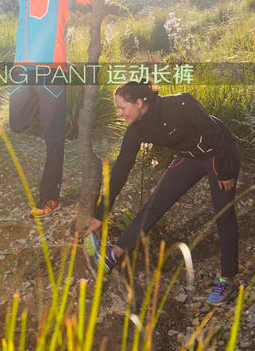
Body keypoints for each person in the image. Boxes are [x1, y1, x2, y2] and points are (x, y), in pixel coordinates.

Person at [83, 80, 241, 305]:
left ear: (139, 102)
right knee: (156, 203)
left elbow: (213, 131)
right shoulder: (136, 130)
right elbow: (120, 171)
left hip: (219, 152)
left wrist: (225, 171)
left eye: (122, 107)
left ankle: (228, 280)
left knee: (223, 213)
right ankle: (114, 253)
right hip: (189, 156)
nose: (119, 113)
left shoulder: (180, 103)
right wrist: (100, 214)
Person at [9, 0, 102, 218]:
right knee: (16, 122)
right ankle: (53, 104)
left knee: (53, 137)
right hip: (24, 72)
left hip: (50, 71)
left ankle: (50, 199)